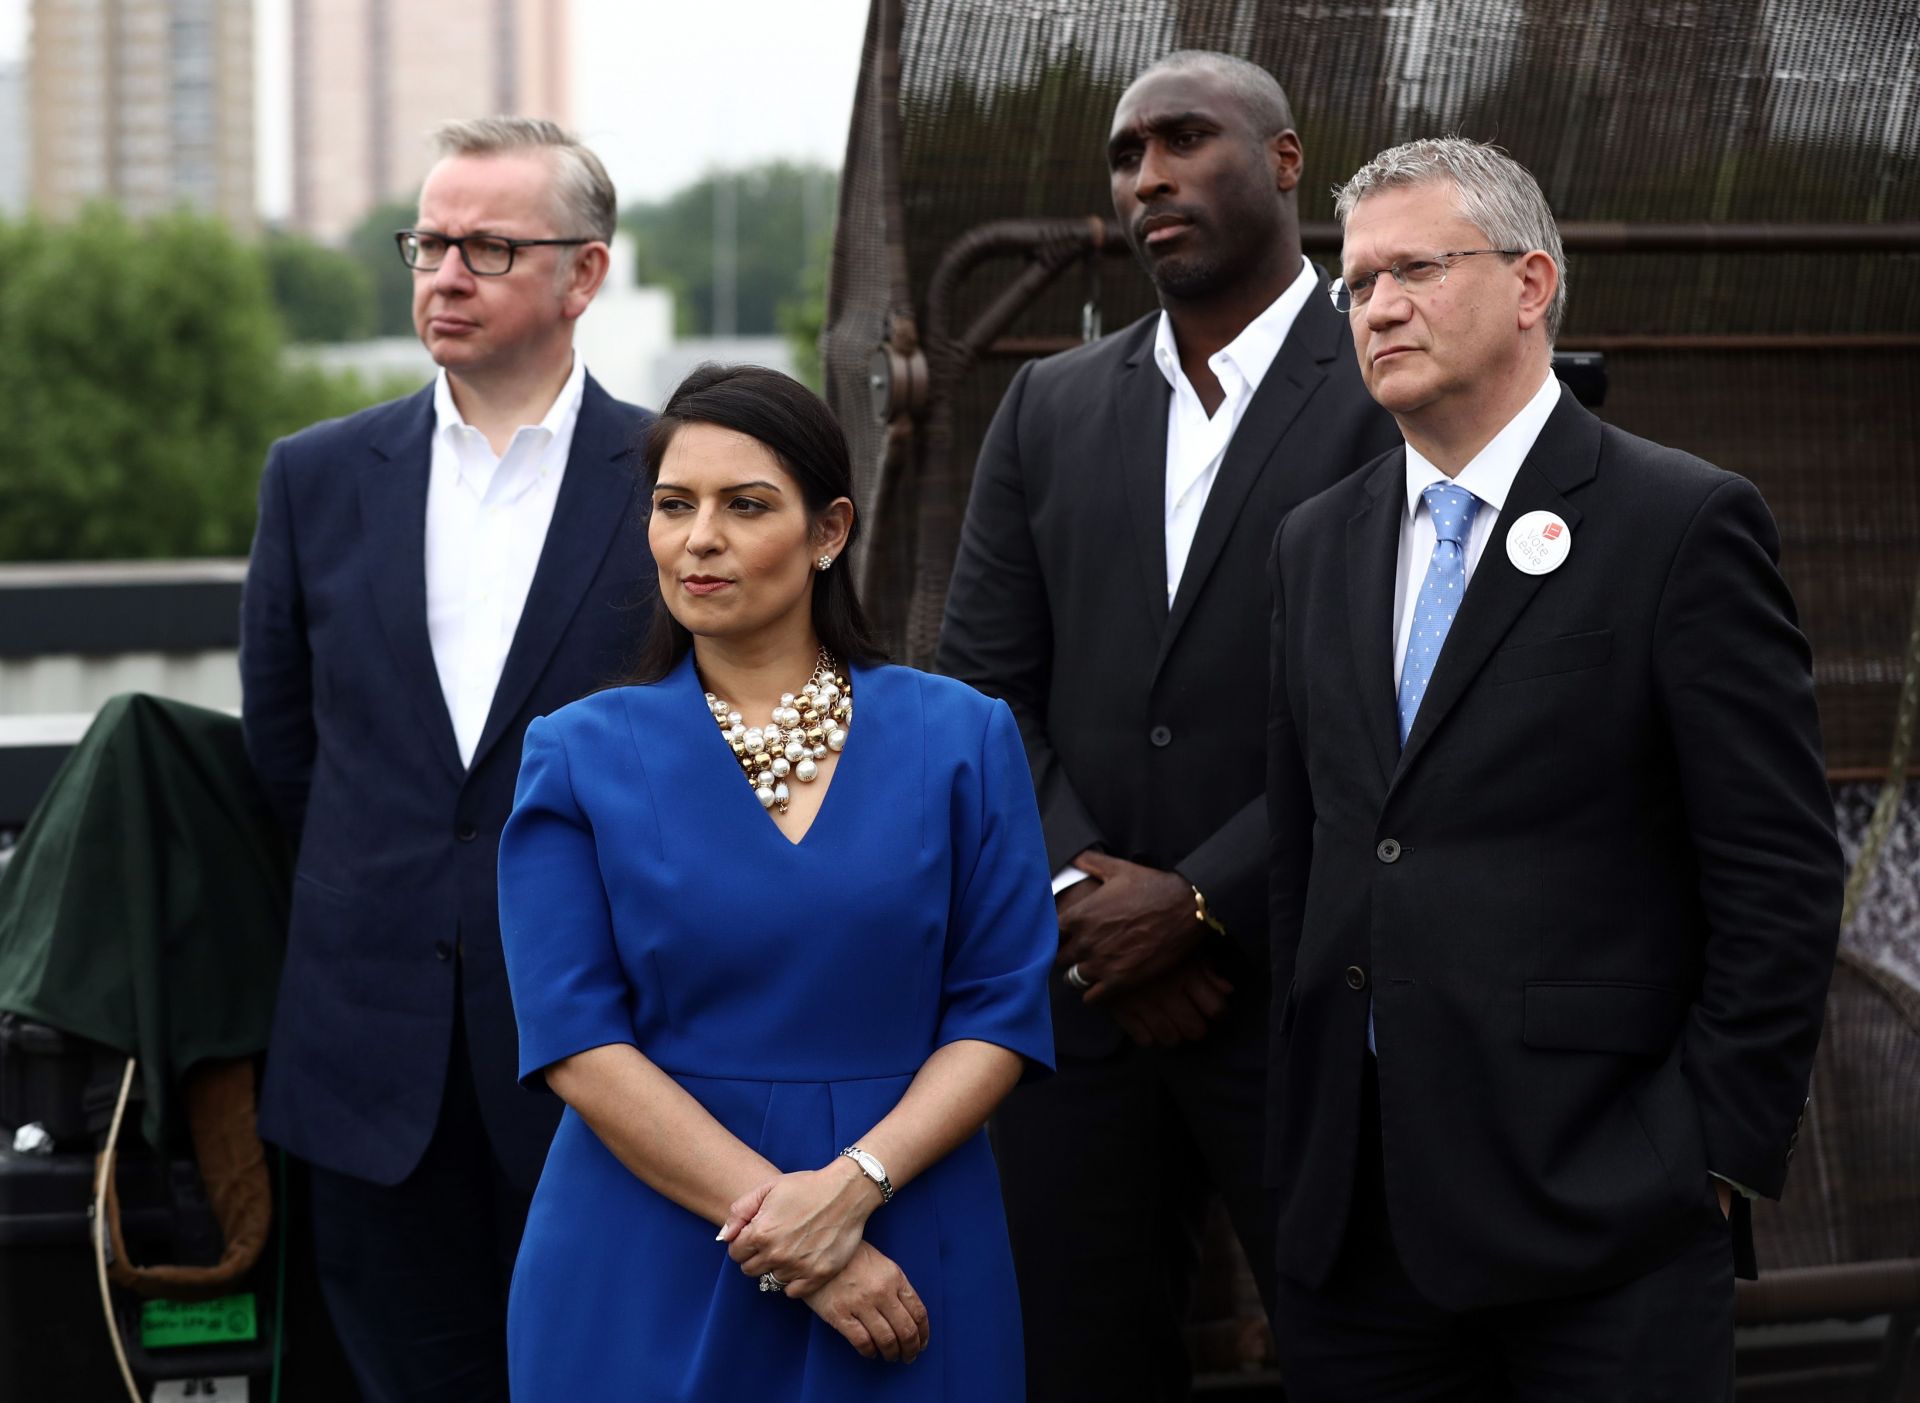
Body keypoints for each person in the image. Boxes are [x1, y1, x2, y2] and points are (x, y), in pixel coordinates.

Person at [1262, 136, 1842, 1400]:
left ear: (1531, 285)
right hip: (1350, 1230)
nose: (1380, 307)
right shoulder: (1317, 542)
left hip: (1601, 1224)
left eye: (1416, 267)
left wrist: (1705, 1151)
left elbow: (1780, 872)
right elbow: (1311, 846)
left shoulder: (1679, 522)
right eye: (1354, 284)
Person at [935, 50, 1398, 1400]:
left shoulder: (1390, 386)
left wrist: (1201, 901)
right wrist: (1092, 897)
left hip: (1320, 996)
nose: (1149, 178)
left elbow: (1408, 709)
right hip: (1084, 1009)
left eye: (1185, 140)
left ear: (1287, 161)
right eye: (1128, 157)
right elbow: (980, 690)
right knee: (1072, 1359)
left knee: (1363, 1353)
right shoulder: (1049, 402)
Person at [495, 363, 1057, 1400]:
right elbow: (574, 1037)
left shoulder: (963, 737)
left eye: (745, 505)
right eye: (674, 504)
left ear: (829, 531)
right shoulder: (574, 753)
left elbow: (999, 1011)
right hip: (645, 1241)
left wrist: (854, 1189)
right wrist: (806, 1232)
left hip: (910, 1219)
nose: (698, 536)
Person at [239, 117, 652, 1401]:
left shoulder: (675, 482)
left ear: (584, 275)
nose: (444, 274)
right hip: (370, 1068)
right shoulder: (313, 478)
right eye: (429, 242)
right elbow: (289, 753)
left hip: (616, 1064)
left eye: (488, 246)